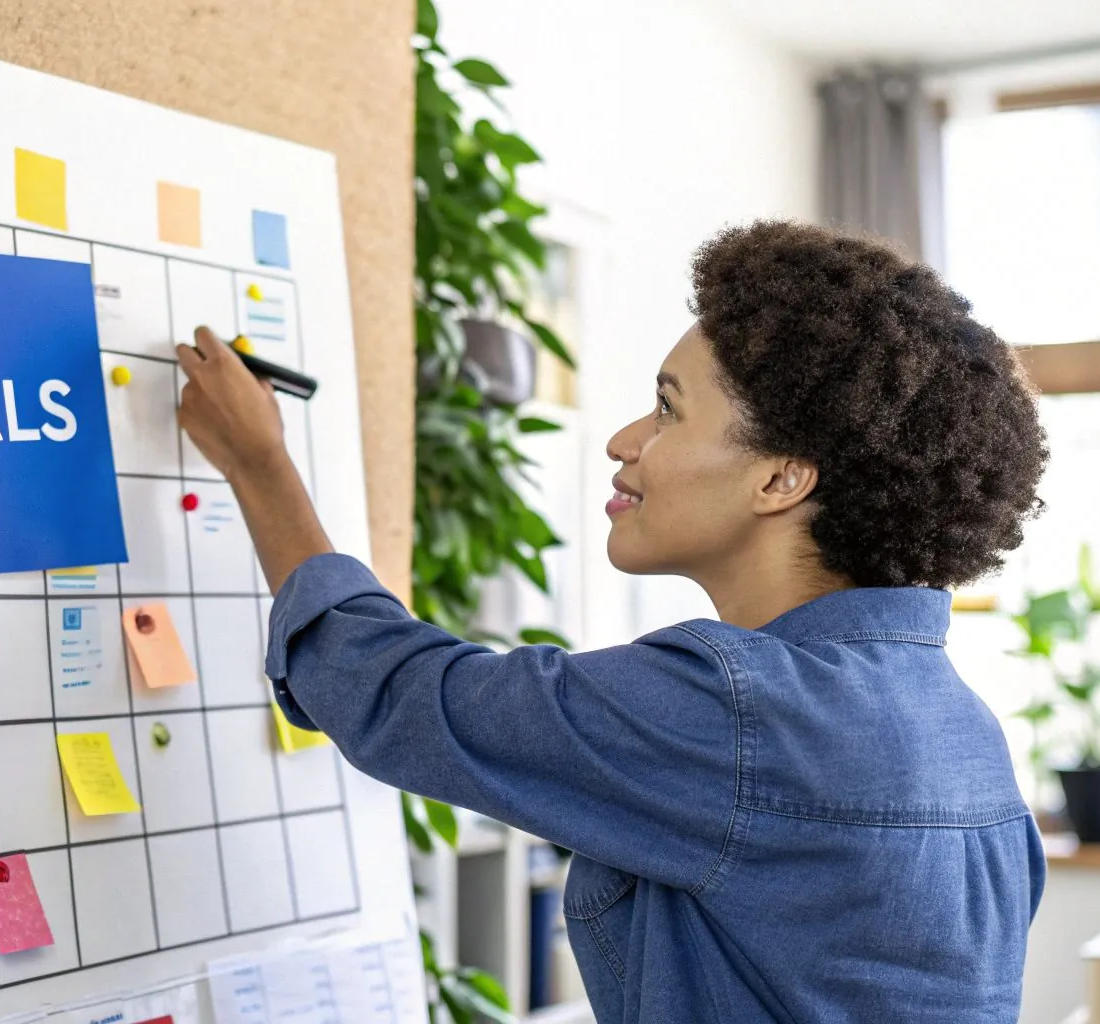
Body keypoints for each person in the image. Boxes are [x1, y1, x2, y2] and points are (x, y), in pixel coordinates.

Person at [175, 221, 1050, 1023]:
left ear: (781, 480)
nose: (625, 439)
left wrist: (259, 464)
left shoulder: (739, 712)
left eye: (669, 408)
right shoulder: (963, 729)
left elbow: (403, 697)